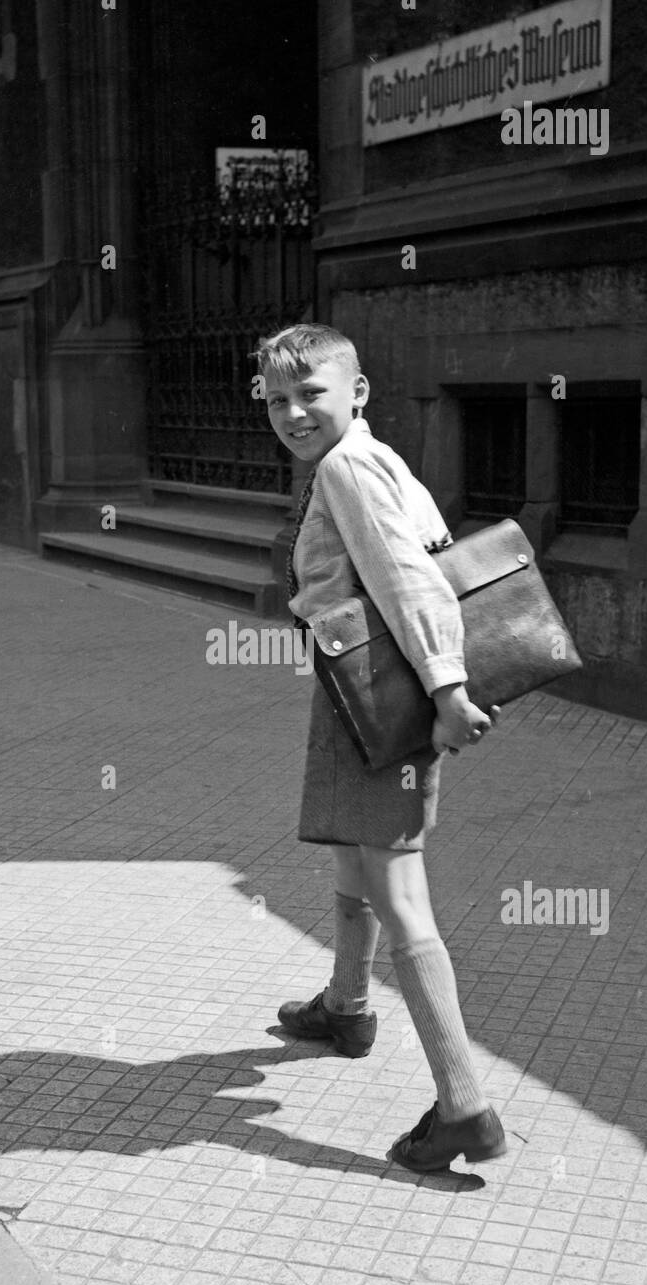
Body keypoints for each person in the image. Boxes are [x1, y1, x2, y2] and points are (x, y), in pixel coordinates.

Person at [259, 322, 508, 1174]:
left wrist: (447, 691)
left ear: (356, 392)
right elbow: (435, 543)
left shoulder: (346, 468)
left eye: (310, 394)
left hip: (389, 702)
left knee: (400, 893)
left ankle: (463, 1106)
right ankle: (345, 1005)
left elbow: (412, 575)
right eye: (276, 398)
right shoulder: (377, 457)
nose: (292, 412)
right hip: (358, 697)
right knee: (353, 860)